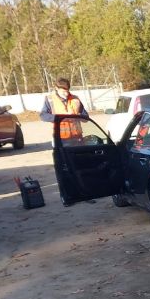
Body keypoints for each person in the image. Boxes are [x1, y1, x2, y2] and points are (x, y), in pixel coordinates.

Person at [40, 77, 90, 206]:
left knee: (81, 167)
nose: (66, 93)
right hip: (61, 139)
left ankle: (85, 195)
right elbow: (43, 115)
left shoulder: (75, 99)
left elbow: (85, 116)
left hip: (77, 139)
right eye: (63, 91)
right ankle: (67, 197)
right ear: (56, 88)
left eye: (68, 90)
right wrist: (58, 118)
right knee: (63, 170)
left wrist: (80, 116)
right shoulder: (50, 100)